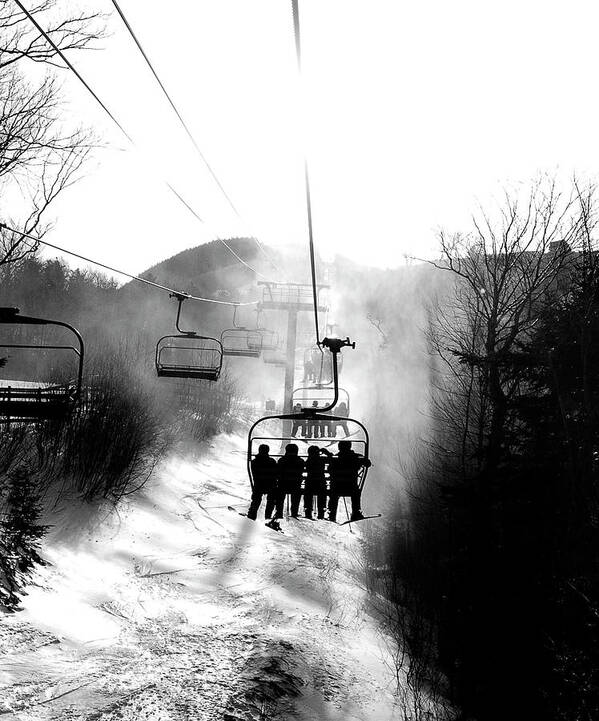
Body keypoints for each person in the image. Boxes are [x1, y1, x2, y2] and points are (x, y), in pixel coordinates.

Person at [327, 440, 372, 522]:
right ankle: (356, 511)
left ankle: (331, 513)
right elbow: (367, 464)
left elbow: (330, 470)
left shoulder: (336, 458)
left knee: (334, 493)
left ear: (339, 447)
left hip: (337, 486)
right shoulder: (356, 457)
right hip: (351, 486)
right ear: (350, 447)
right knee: (356, 492)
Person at [247, 444, 278, 520]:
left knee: (256, 499)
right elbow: (275, 473)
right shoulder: (272, 461)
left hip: (259, 485)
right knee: (271, 499)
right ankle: (268, 516)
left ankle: (252, 514)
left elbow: (255, 474)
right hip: (270, 485)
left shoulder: (254, 462)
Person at [276, 443, 305, 518]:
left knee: (280, 493)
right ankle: (294, 512)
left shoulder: (282, 460)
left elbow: (278, 473)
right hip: (295, 485)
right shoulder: (300, 461)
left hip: (283, 485)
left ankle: (279, 512)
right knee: (296, 492)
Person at [304, 445, 331, 519]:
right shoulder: (322, 460)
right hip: (321, 483)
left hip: (310, 483)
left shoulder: (308, 461)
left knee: (308, 493)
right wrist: (327, 453)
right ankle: (321, 512)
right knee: (322, 494)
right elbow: (332, 459)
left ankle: (308, 511)